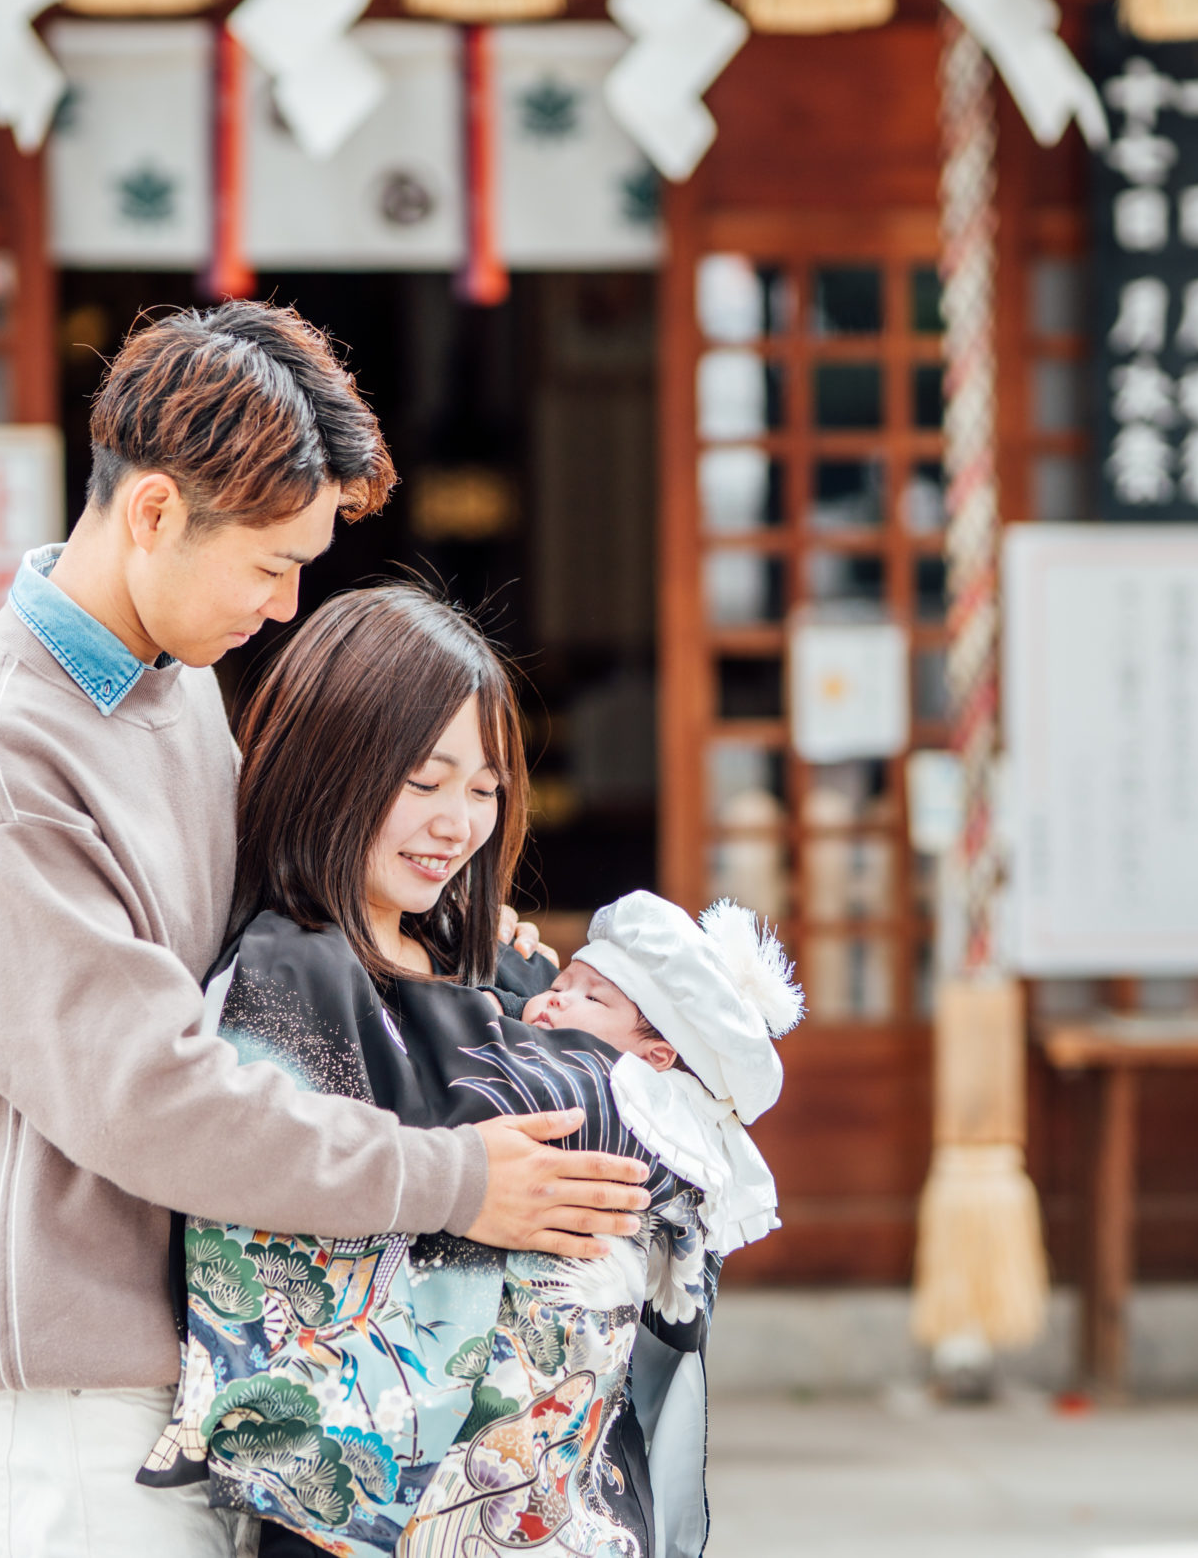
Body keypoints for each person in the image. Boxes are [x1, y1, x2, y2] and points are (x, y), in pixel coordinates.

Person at [0, 303, 651, 1558]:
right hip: (84, 1392)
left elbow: (258, 929)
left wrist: (432, 921)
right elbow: (149, 1096)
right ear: (154, 512)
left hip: (224, 1363)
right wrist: (456, 1181)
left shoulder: (170, 685)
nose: (285, 606)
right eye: (270, 565)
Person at [137, 585, 799, 1558]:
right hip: (374, 1518)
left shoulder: (505, 967)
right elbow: (265, 1214)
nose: (458, 822)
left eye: (485, 788)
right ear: (330, 764)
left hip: (558, 1500)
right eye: (424, 780)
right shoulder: (289, 974)